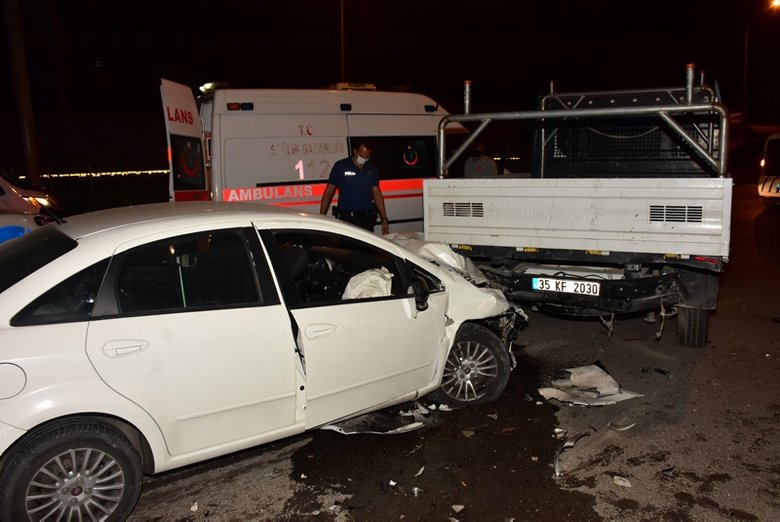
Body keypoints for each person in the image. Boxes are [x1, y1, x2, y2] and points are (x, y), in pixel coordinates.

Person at [320, 141, 389, 234]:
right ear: (355, 151)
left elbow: (377, 194)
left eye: (367, 157)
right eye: (362, 156)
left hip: (366, 219)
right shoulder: (341, 166)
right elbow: (328, 193)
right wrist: (321, 217)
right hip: (347, 219)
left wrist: (384, 218)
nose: (364, 159)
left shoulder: (371, 168)